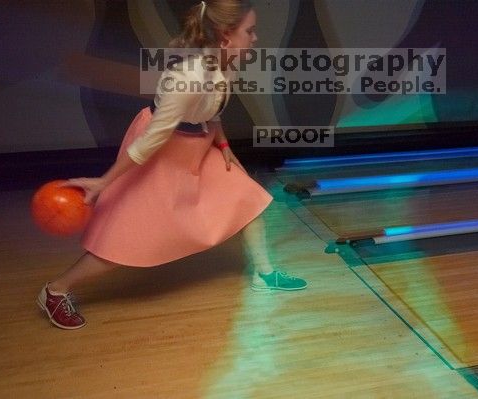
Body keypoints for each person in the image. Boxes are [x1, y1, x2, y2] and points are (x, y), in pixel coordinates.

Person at [37, 0, 307, 330]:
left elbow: (213, 108)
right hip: (160, 150)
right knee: (123, 238)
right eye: (249, 31)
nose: (255, 38)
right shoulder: (187, 78)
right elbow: (152, 140)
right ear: (224, 37)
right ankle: (55, 290)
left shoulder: (226, 62)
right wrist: (104, 182)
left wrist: (223, 145)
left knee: (250, 200)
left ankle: (265, 275)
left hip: (197, 144)